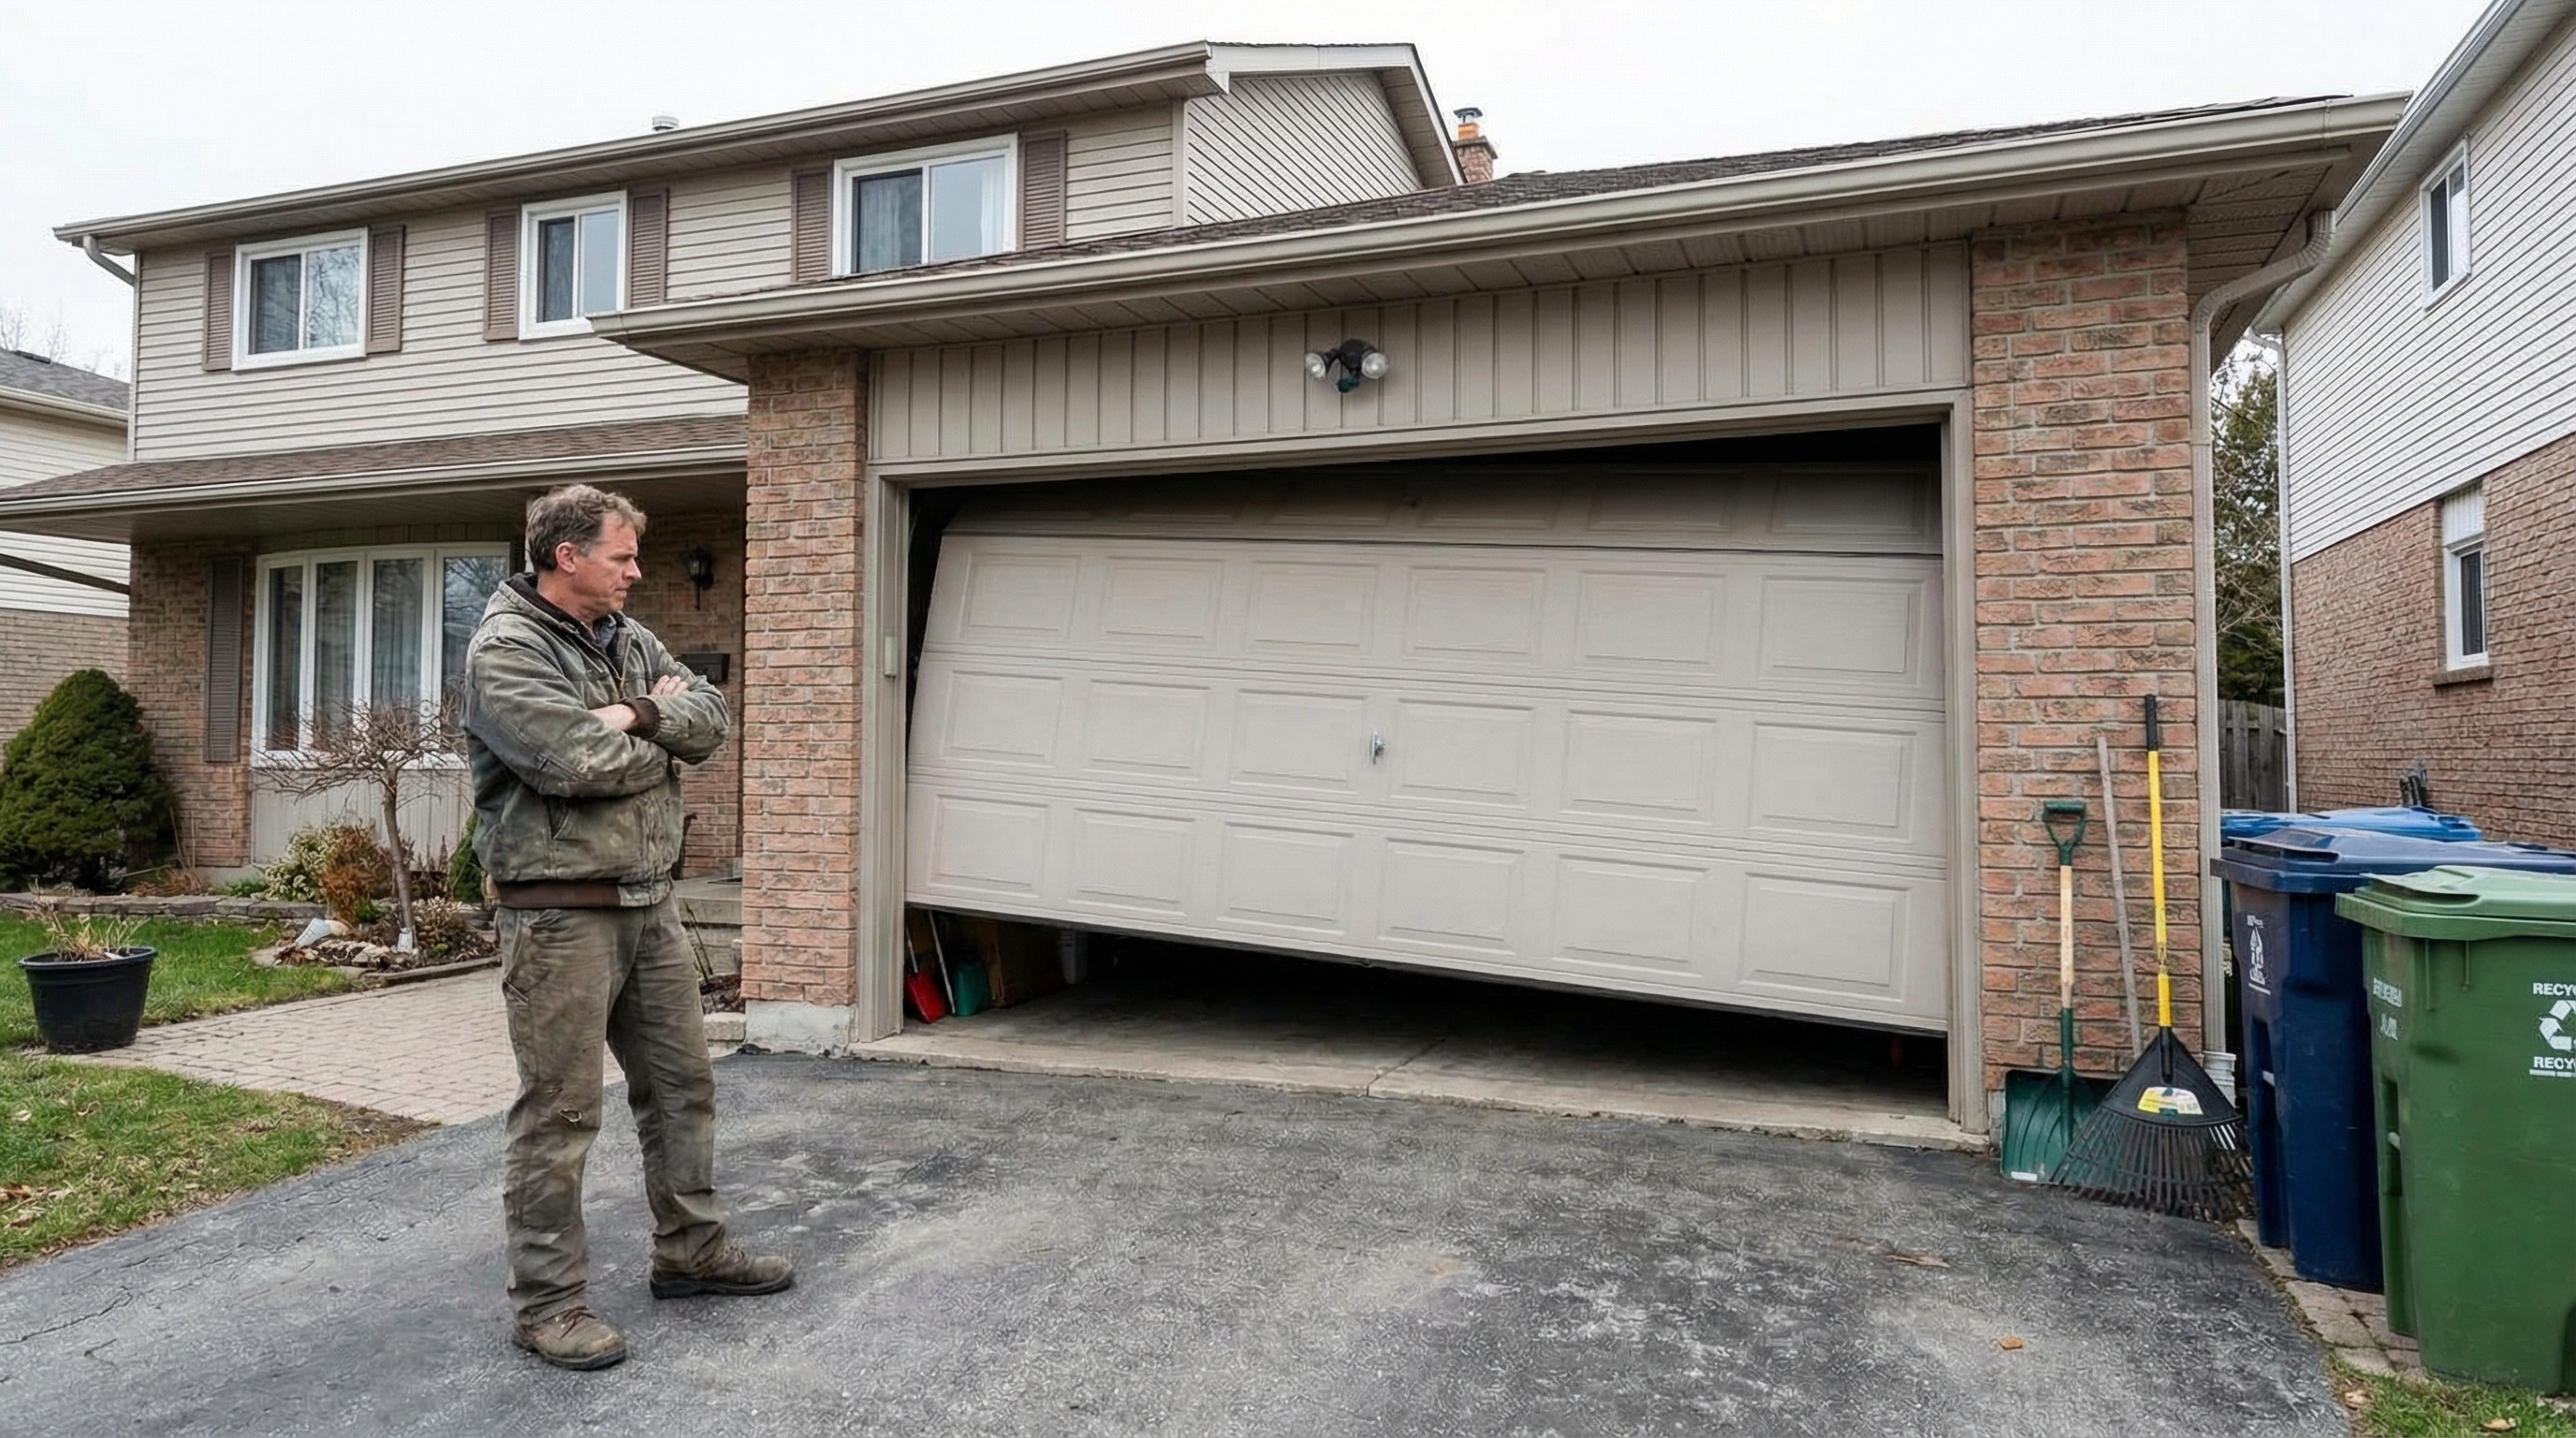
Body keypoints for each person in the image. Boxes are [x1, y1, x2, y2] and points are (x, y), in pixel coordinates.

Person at [461, 483, 790, 1371]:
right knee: (561, 1114)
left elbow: (710, 715)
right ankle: (548, 1305)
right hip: (559, 913)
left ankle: (692, 1252)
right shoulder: (508, 649)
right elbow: (572, 762)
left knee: (684, 1090)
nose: (637, 572)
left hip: (648, 903)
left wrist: (637, 711)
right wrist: (652, 730)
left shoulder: (629, 639)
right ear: (567, 557)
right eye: (622, 556)